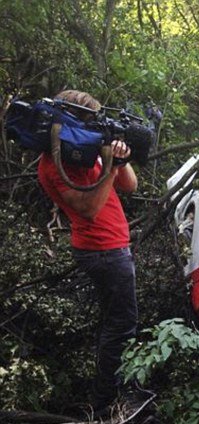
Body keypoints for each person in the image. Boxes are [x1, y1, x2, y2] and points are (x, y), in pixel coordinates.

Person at [37, 90, 138, 413]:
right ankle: (108, 401)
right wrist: (109, 167)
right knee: (121, 325)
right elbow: (90, 209)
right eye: (89, 120)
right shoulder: (54, 163)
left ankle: (109, 393)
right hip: (102, 252)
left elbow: (131, 185)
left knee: (115, 322)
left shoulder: (85, 151)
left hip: (112, 247)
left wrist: (118, 159)